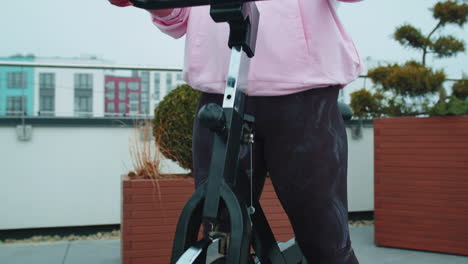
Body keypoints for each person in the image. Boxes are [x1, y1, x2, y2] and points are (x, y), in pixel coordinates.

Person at [109, 0, 363, 263]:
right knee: (223, 236)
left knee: (325, 241)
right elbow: (177, 17)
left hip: (305, 95)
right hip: (221, 91)